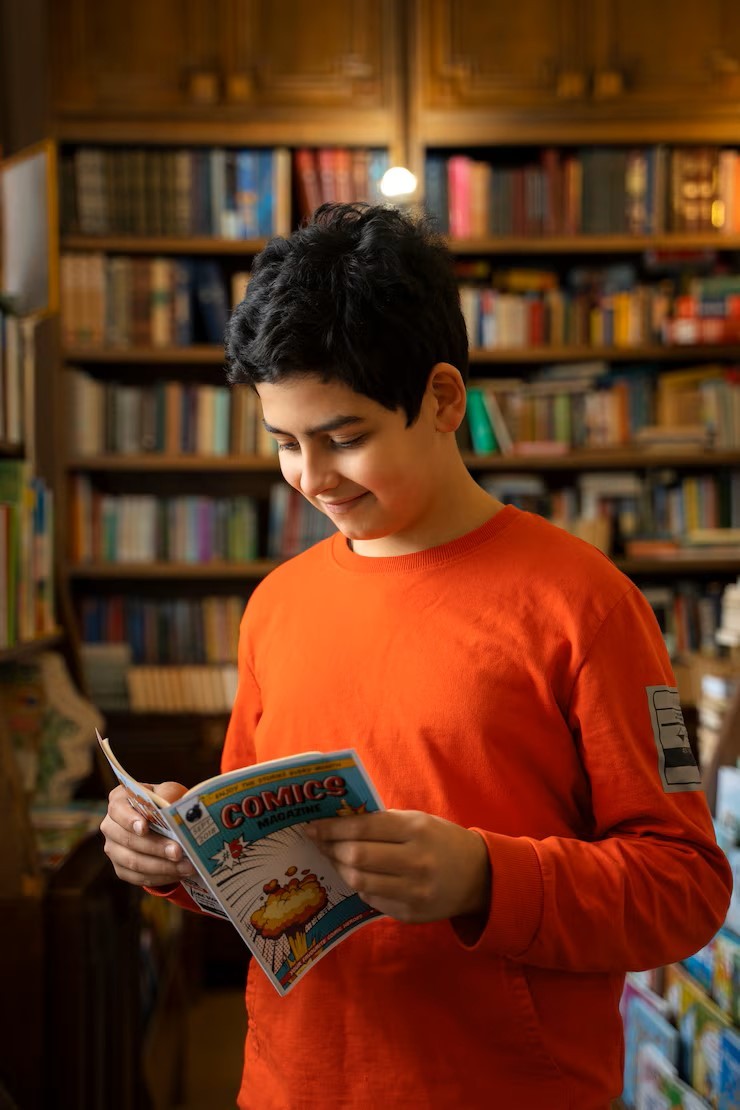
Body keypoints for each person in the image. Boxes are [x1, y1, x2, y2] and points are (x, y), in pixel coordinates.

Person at [101, 203, 732, 1110]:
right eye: (284, 443)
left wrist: (484, 877)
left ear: (441, 399)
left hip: (503, 1090)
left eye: (344, 438)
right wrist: (175, 857)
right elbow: (261, 876)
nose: (312, 478)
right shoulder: (277, 605)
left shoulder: (585, 603)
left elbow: (687, 888)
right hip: (290, 1083)